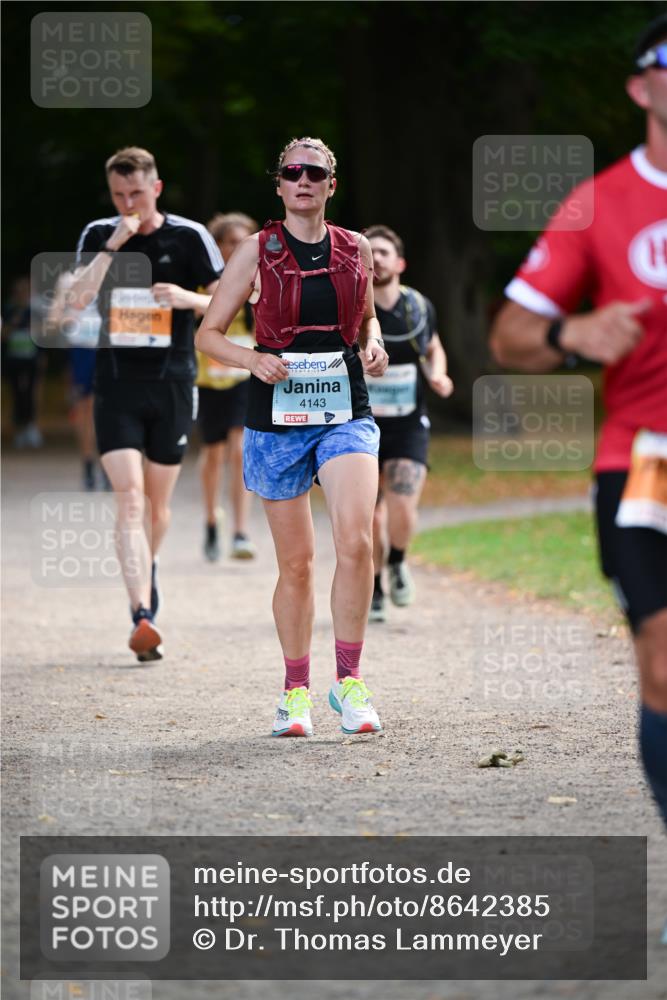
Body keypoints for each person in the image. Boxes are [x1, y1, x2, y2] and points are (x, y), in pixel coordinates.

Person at [490, 16, 667, 851]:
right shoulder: (597, 203)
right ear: (640, 86)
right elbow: (508, 336)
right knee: (663, 666)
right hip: (643, 462)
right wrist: (573, 335)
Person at [197, 136, 389, 737]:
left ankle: (350, 683)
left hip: (344, 410)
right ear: (278, 185)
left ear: (332, 184)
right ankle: (295, 692)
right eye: (291, 172)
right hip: (276, 416)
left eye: (314, 172)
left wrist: (374, 340)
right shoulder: (256, 251)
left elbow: (364, 314)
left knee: (356, 541)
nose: (302, 180)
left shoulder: (355, 247)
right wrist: (251, 360)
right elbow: (208, 335)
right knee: (298, 564)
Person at [70, 146, 223, 660]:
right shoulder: (98, 234)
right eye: (118, 194)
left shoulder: (189, 236)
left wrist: (188, 298)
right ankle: (142, 613)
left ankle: (145, 571)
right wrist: (112, 246)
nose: (127, 202)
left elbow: (232, 299)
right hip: (116, 387)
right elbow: (74, 301)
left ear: (156, 188)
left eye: (136, 192)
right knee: (130, 500)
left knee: (157, 508)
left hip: (174, 383)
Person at [364, 225, 454, 622]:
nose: (377, 258)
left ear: (399, 263)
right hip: (361, 422)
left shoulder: (417, 306)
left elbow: (434, 347)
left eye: (384, 252)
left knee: (402, 504)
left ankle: (398, 561)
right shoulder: (351, 306)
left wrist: (439, 374)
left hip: (408, 423)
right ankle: (375, 587)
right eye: (371, 251)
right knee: (369, 514)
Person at [196, 212, 258, 561]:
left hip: (244, 378)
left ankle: (240, 531)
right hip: (209, 380)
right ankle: (209, 520)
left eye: (243, 240)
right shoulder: (203, 282)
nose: (237, 247)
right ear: (217, 246)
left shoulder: (258, 279)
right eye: (230, 241)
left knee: (239, 451)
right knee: (213, 455)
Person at [46, 270, 102, 490]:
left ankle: (109, 464)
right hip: (82, 350)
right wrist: (63, 317)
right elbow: (54, 318)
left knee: (107, 408)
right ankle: (88, 464)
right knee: (85, 410)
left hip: (106, 348)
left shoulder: (112, 275)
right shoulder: (68, 279)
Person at [2, 276, 45, 449]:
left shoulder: (35, 310)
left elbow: (43, 335)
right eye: (19, 291)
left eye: (25, 291)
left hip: (32, 358)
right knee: (16, 393)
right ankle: (19, 427)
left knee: (31, 392)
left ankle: (31, 426)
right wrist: (13, 323)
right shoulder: (8, 309)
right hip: (13, 359)